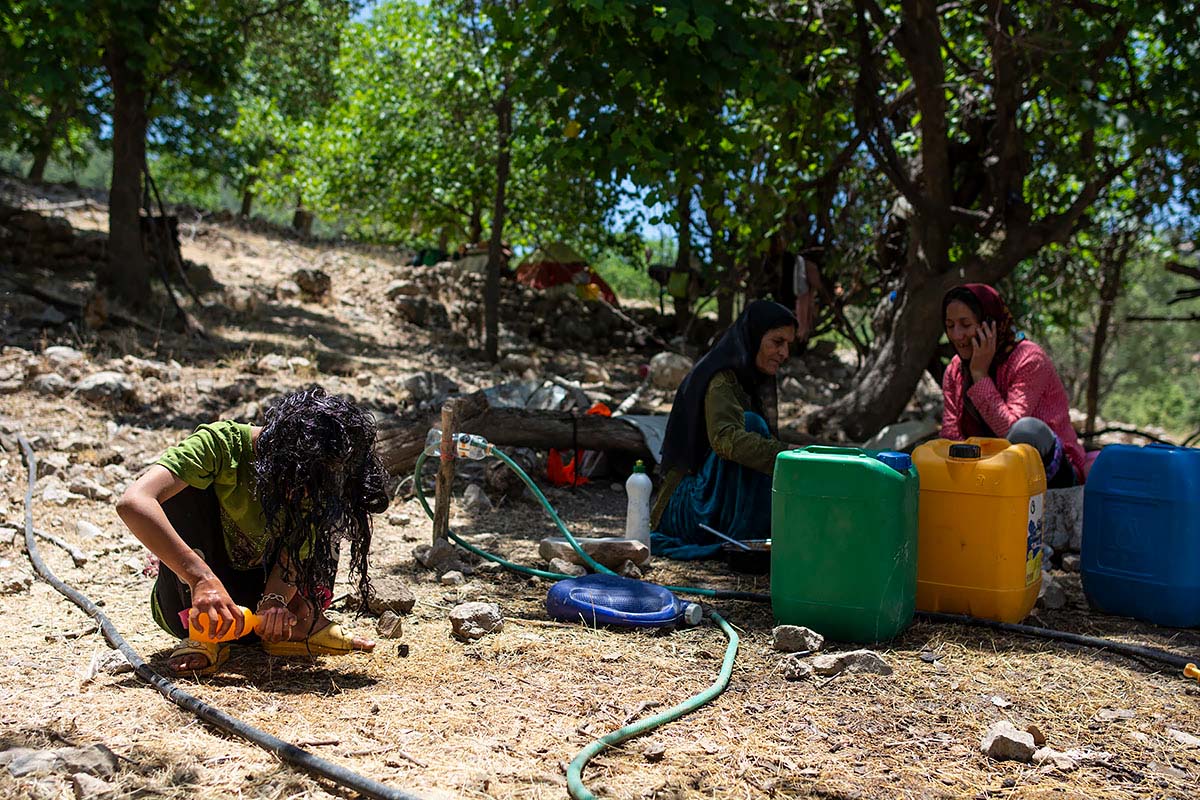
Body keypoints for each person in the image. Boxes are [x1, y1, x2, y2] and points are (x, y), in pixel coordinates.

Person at [116, 387, 388, 675]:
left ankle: (302, 622)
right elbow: (133, 502)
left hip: (253, 616)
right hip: (193, 604)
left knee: (331, 507)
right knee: (181, 487)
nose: (306, 491)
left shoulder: (319, 479)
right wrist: (201, 580)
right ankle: (204, 636)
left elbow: (295, 551)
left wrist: (275, 602)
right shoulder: (220, 445)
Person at [650, 300, 799, 558]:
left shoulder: (747, 381)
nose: (784, 353)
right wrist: (788, 454)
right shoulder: (720, 378)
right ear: (754, 337)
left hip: (712, 499)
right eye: (777, 342)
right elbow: (725, 439)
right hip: (690, 508)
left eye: (788, 345)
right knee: (751, 425)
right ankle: (740, 532)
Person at [941, 284, 1086, 487]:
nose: (957, 335)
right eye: (950, 325)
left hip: (1050, 469)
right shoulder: (954, 370)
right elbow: (950, 436)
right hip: (987, 471)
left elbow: (1011, 433)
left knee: (1027, 430)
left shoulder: (1028, 359)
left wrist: (979, 374)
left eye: (965, 324)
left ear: (990, 324)